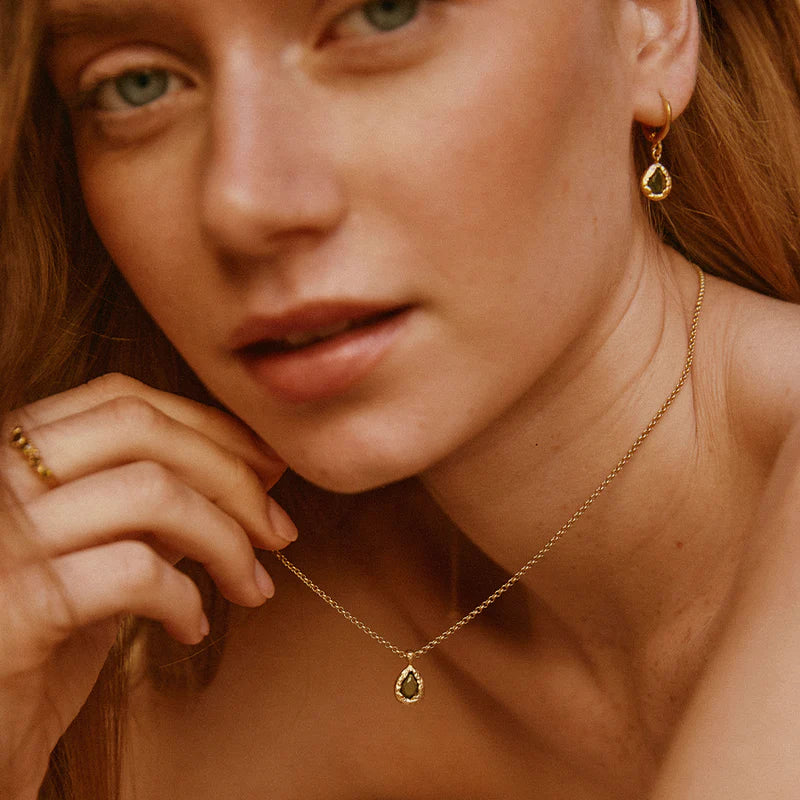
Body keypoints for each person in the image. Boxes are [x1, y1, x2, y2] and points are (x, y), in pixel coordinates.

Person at [2, 0, 800, 797]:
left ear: (649, 24)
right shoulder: (147, 658)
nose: (244, 206)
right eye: (136, 84)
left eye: (381, 15)